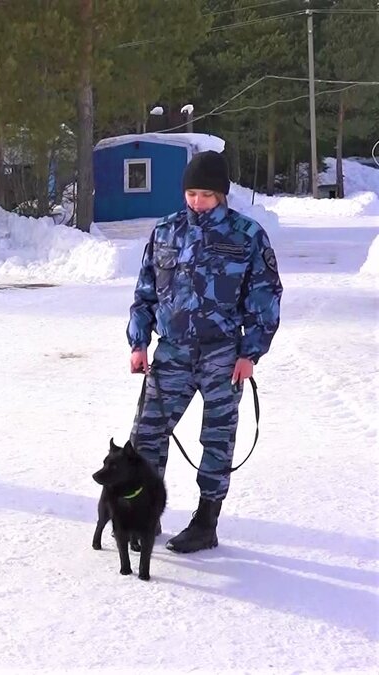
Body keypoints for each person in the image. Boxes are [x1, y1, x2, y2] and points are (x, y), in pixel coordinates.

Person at [127, 150, 282, 553]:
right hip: (172, 353)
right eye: (192, 193)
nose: (198, 202)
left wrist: (250, 353)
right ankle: (144, 516)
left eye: (207, 195)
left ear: (222, 194)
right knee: (146, 435)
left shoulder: (247, 235)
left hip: (223, 356)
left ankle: (205, 523)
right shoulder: (166, 231)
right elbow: (145, 293)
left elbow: (265, 298)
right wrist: (139, 342)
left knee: (216, 440)